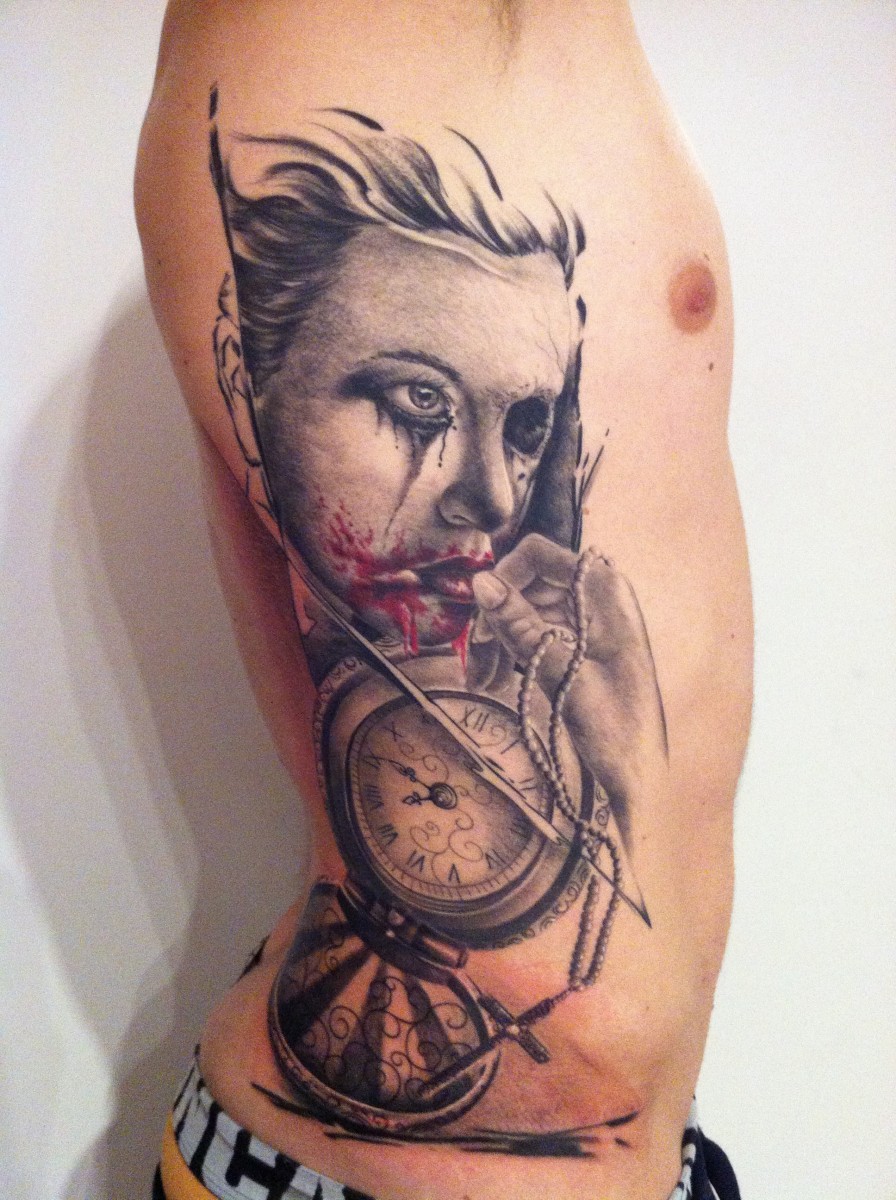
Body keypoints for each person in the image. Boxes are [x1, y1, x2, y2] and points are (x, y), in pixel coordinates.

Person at [136, 3, 752, 1198]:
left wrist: (623, 766)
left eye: (525, 426)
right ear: (248, 380)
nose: (491, 497)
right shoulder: (335, 32)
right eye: (417, 402)